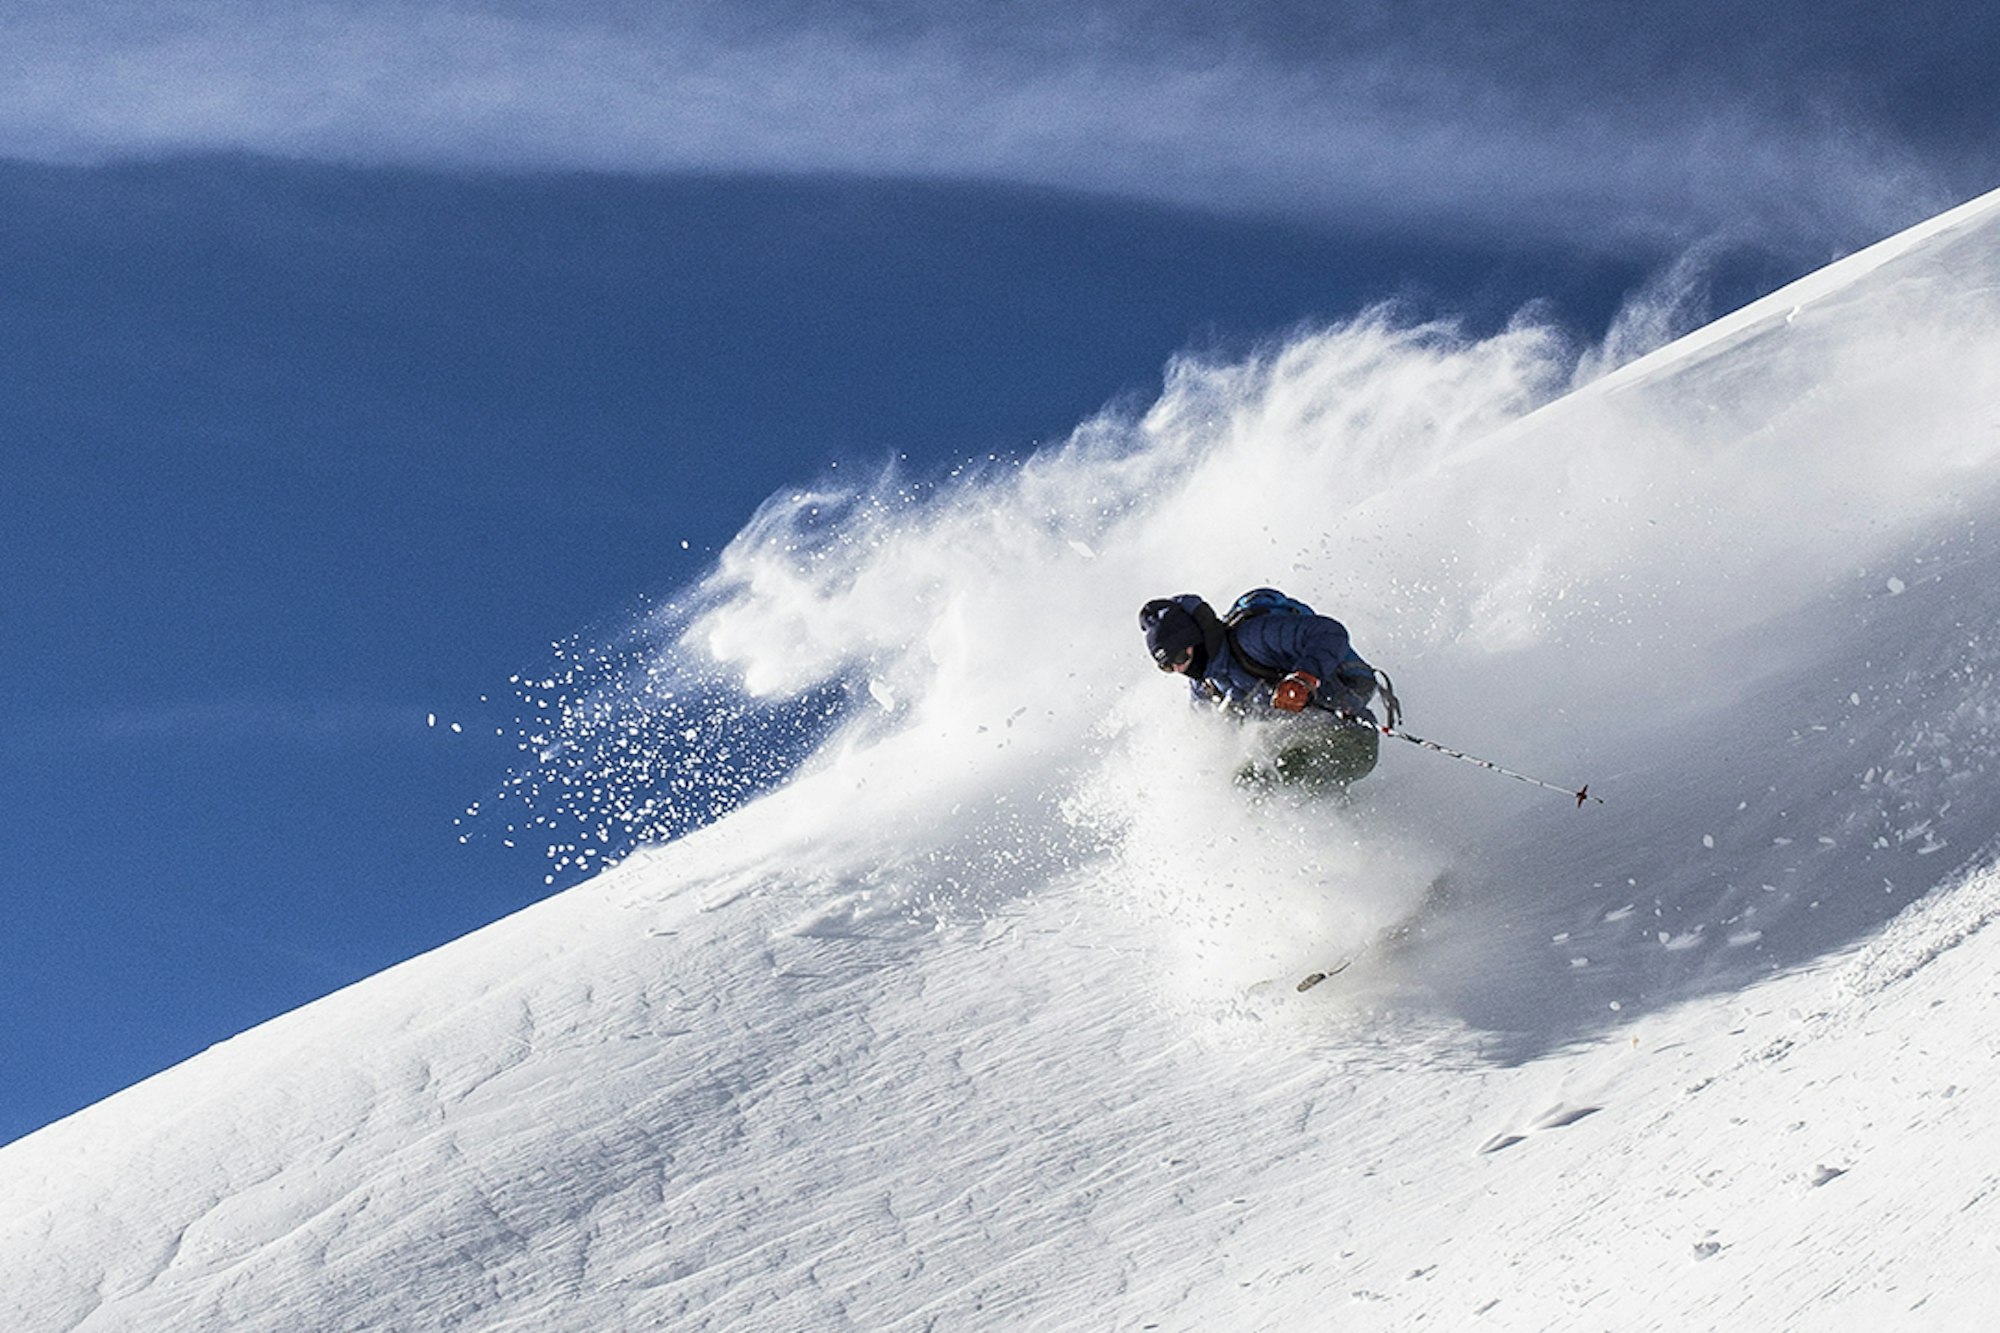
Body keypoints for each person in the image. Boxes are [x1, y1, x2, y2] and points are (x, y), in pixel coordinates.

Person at [1138, 590, 1390, 790]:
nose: (1179, 668)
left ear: (1196, 640)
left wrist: (1304, 678)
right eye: (1167, 666)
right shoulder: (1207, 687)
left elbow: (1329, 632)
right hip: (1297, 748)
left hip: (1350, 735)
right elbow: (1206, 738)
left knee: (1265, 784)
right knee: (1240, 785)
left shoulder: (1253, 637)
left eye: (1180, 656)